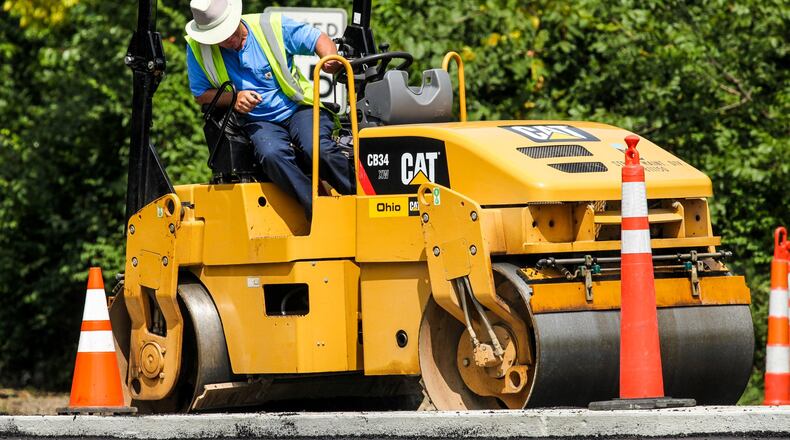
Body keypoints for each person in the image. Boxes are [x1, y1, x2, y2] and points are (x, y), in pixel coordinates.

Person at [184, 0, 354, 219]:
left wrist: (329, 58)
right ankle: (319, 210)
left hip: (298, 108)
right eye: (219, 38)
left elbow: (318, 39)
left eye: (228, 33)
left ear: (236, 19)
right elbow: (200, 95)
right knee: (271, 154)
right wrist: (234, 98)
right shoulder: (198, 48)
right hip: (259, 121)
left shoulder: (270, 26)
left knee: (317, 148)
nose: (227, 41)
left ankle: (361, 197)